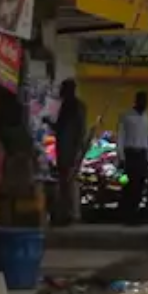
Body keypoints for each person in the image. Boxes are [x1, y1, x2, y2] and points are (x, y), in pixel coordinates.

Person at [52, 80, 86, 226]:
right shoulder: (74, 106)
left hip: (69, 150)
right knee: (67, 182)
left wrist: (75, 150)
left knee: (68, 182)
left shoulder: (72, 107)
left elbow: (72, 130)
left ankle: (70, 214)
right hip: (68, 149)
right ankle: (68, 213)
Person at [117, 92, 148, 225]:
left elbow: (146, 137)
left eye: (146, 101)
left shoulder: (146, 117)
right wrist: (121, 156)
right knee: (128, 184)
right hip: (130, 154)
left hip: (142, 154)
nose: (145, 103)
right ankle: (126, 213)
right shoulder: (127, 116)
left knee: (140, 184)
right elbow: (121, 136)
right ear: (137, 101)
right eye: (142, 100)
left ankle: (135, 213)